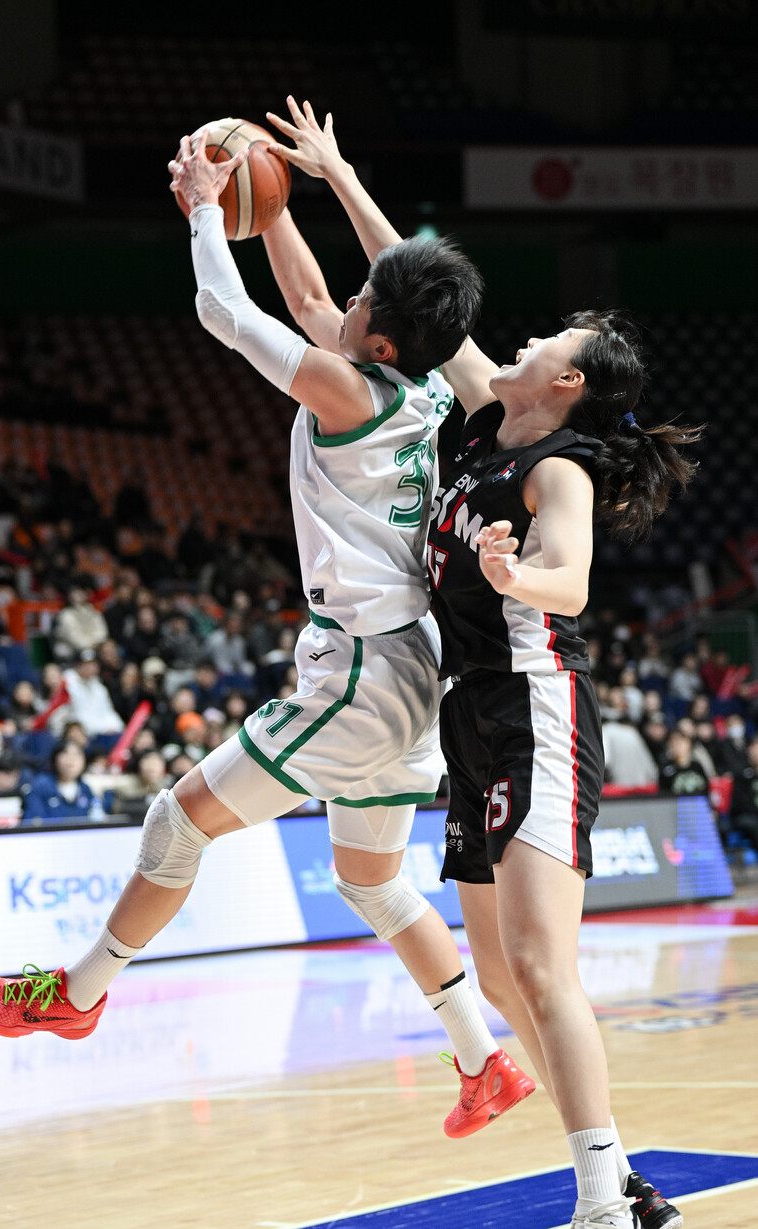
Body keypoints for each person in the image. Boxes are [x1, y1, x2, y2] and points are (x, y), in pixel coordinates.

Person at [0, 99, 533, 1144]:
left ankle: (78, 994)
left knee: (176, 819)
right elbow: (312, 296)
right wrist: (272, 205)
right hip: (414, 666)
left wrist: (202, 205)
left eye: (363, 298)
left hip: (361, 672)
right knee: (370, 880)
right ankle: (482, 1061)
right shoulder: (417, 391)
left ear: (380, 334)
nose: (343, 298)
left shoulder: (348, 394)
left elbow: (227, 313)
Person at [252, 106, 694, 1229]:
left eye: (553, 339)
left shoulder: (560, 470)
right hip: (467, 712)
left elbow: (571, 583)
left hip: (537, 703)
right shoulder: (488, 416)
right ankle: (615, 1173)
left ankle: (603, 1199)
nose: (529, 339)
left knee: (542, 966)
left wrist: (514, 575)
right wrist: (339, 176)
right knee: (499, 977)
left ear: (570, 381)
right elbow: (416, 289)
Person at [23, 741, 102, 823]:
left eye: (77, 754)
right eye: (65, 753)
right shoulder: (40, 786)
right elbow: (34, 821)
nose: (71, 759)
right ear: (55, 758)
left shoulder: (85, 789)